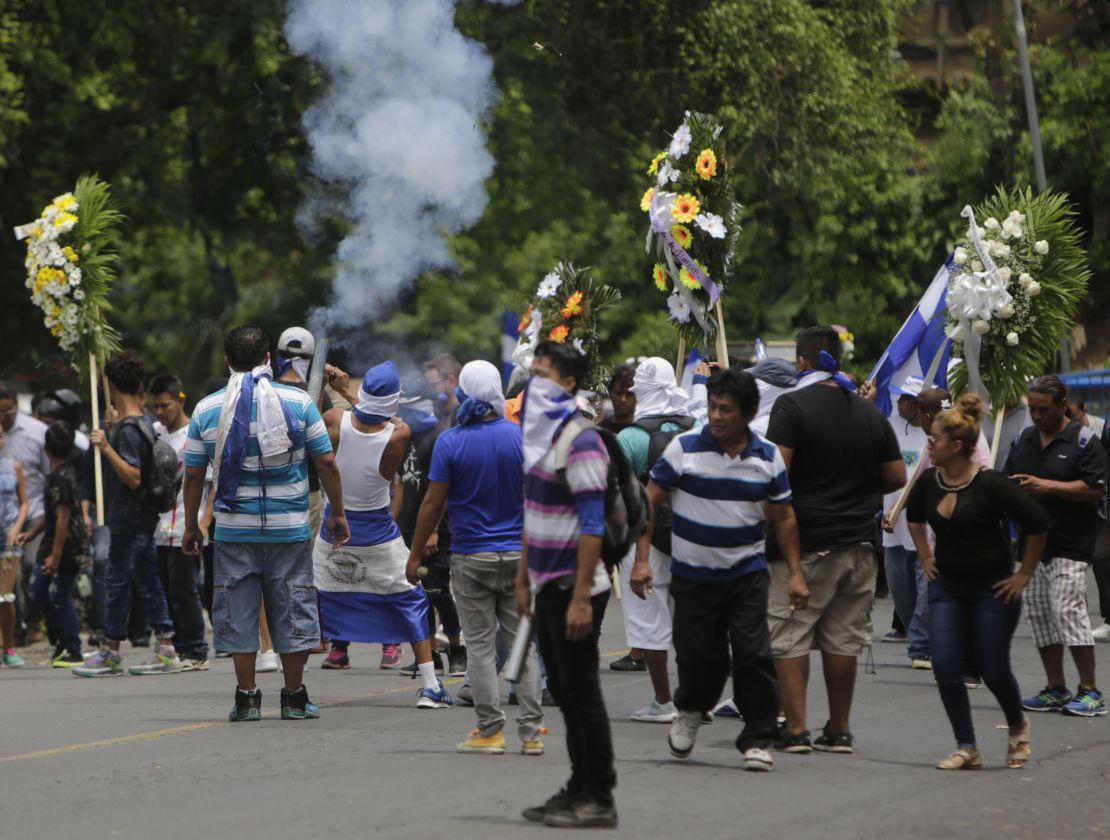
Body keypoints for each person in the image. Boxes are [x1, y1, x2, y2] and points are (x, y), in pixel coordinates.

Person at [180, 326, 350, 721]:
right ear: (267, 359)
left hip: (233, 530)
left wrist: (192, 526)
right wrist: (338, 513)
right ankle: (293, 696)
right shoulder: (299, 403)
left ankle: (246, 697)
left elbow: (192, 475)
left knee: (238, 608)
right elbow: (325, 463)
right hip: (289, 527)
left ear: (227, 361)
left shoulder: (206, 410)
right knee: (293, 604)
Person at [643, 367, 807, 772]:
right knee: (701, 657)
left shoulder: (767, 457)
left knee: (754, 655)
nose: (716, 416)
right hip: (693, 577)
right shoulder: (683, 449)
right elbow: (650, 501)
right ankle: (691, 710)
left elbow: (784, 517)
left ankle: (757, 737)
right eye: (713, 407)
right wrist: (642, 560)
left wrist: (797, 573)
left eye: (726, 410)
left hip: (745, 575)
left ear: (749, 414)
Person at [766, 326, 906, 754]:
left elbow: (777, 475)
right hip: (859, 545)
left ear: (802, 362)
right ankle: (839, 729)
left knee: (790, 635)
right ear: (838, 362)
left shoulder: (791, 407)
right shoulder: (868, 413)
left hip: (803, 543)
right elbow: (897, 476)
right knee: (843, 638)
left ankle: (796, 728)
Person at [906, 395, 1049, 769]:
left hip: (994, 588)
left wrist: (1024, 573)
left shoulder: (991, 485)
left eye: (935, 438)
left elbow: (1038, 524)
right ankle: (966, 746)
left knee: (992, 666)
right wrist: (925, 556)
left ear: (957, 446)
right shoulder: (928, 481)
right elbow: (914, 518)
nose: (929, 444)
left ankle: (1017, 724)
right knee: (946, 666)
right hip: (947, 586)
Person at [407, 359, 541, 753]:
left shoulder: (451, 441)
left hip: (471, 555)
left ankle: (490, 731)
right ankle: (531, 735)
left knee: (481, 647)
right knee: (523, 646)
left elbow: (432, 504)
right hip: (519, 555)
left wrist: (414, 555)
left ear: (463, 392)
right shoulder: (522, 438)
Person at [310, 362, 453, 709]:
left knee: (319, 598)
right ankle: (431, 686)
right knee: (412, 601)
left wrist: (332, 390)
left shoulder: (332, 422)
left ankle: (295, 689)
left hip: (334, 529)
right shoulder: (398, 433)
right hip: (376, 532)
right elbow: (380, 418)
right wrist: (347, 391)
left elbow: (315, 421)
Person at [518, 340, 617, 829]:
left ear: (569, 384)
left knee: (581, 693)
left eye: (544, 374)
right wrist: (523, 581)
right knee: (566, 690)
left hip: (574, 589)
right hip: (545, 586)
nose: (533, 382)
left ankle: (598, 794)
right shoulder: (538, 438)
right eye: (531, 373)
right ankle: (578, 786)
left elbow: (593, 525)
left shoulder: (581, 440)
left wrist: (580, 597)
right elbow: (531, 515)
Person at [1004, 375, 1108, 717]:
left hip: (1072, 542)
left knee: (1067, 609)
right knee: (1039, 614)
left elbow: (1096, 488)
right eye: (1032, 409)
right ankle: (1055, 688)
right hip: (1033, 546)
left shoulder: (1083, 441)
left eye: (1043, 410)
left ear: (1063, 406)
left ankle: (1090, 691)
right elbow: (1009, 479)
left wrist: (1048, 486)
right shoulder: (1024, 438)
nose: (1037, 415)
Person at [74, 352, 182, 678]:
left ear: (111, 384)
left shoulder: (129, 430)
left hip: (130, 517)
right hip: (140, 517)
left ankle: (115, 652)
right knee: (143, 580)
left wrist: (106, 446)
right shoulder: (144, 422)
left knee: (120, 583)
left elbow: (134, 477)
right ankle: (161, 647)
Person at [618, 357, 696, 723]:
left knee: (649, 620)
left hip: (643, 543)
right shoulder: (698, 430)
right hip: (696, 537)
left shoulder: (629, 438)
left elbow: (615, 496)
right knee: (694, 620)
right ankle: (698, 698)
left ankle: (663, 701)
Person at [393, 376, 465, 676]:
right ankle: (429, 656)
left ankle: (456, 648)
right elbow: (400, 486)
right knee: (416, 593)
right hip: (410, 526)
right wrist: (392, 524)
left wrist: (433, 529)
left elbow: (443, 493)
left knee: (437, 591)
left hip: (436, 527)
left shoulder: (439, 437)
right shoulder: (403, 437)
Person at [150, 373, 212, 671]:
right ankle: (172, 649)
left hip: (186, 527)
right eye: (156, 407)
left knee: (184, 591)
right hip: (158, 529)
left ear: (180, 401)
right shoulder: (153, 434)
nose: (160, 412)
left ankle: (196, 651)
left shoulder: (195, 435)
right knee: (163, 590)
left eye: (165, 406)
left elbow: (211, 484)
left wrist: (204, 522)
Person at [22, 421, 88, 667]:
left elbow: (62, 517)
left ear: (46, 448)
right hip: (51, 542)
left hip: (66, 546)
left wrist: (56, 555)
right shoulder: (59, 475)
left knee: (60, 593)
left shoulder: (62, 477)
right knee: (39, 588)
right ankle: (60, 637)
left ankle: (73, 647)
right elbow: (51, 513)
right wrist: (31, 534)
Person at [879, 379, 931, 669]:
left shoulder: (932, 431)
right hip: (892, 523)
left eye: (906, 399)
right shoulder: (889, 425)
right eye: (898, 399)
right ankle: (915, 632)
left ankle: (922, 644)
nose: (899, 403)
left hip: (921, 524)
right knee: (899, 587)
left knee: (925, 582)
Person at [0, 380, 50, 647]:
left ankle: (33, 620)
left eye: (7, 413)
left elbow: (49, 474)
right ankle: (13, 631)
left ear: (16, 407)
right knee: (9, 577)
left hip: (32, 513)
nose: (3, 420)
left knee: (30, 566)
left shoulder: (36, 432)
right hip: (2, 520)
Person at [0, 422, 30, 667]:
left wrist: (17, 527)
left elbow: (24, 503)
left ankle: (8, 647)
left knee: (5, 595)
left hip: (9, 538)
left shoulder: (13, 468)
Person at [424, 353, 462, 428]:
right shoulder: (434, 411)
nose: (428, 391)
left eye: (433, 385)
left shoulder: (464, 416)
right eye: (426, 386)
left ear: (452, 381)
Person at [601, 363, 637, 434]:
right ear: (610, 393)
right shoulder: (601, 429)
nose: (623, 399)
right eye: (618, 393)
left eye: (629, 394)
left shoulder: (642, 430)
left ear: (637, 396)